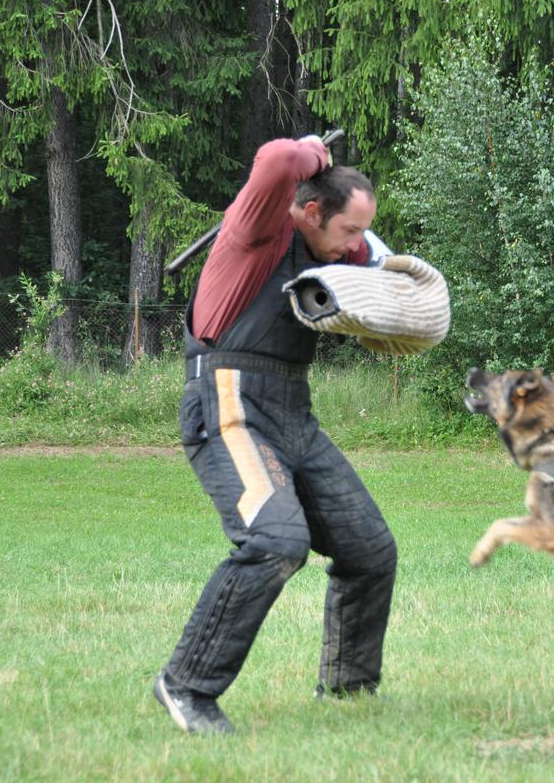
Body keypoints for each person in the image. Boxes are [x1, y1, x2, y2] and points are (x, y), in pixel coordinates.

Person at [153, 135, 398, 734]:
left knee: (369, 550)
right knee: (275, 541)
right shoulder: (257, 230)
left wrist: (390, 282)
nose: (355, 242)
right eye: (349, 228)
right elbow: (280, 161)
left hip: (293, 410)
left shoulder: (333, 251)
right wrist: (313, 152)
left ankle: (348, 692)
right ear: (311, 211)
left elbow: (383, 269)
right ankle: (186, 687)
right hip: (229, 404)